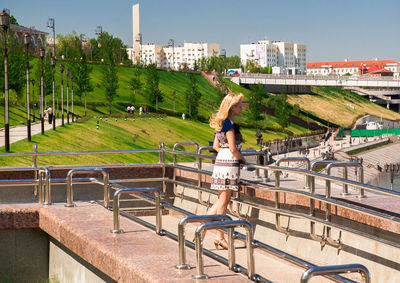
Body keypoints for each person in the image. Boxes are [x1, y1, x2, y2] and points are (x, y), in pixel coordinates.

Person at [207, 92, 245, 250]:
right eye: (238, 105)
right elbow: (233, 148)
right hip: (229, 164)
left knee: (220, 200)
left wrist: (224, 154)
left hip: (220, 162)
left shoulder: (221, 123)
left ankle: (202, 229)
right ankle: (220, 236)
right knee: (224, 201)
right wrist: (242, 159)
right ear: (231, 108)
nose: (241, 107)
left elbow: (216, 146)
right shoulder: (229, 125)